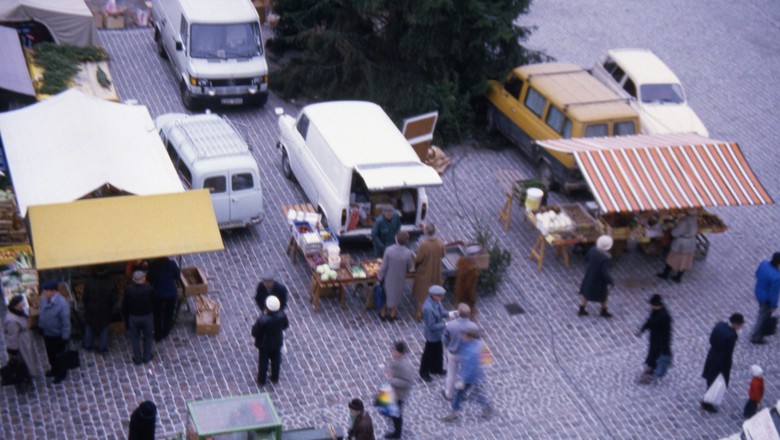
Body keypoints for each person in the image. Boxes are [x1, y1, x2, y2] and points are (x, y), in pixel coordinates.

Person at [442, 329, 493, 422]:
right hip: (475, 376)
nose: (462, 337)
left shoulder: (471, 350)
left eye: (464, 336)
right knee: (472, 394)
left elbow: (471, 367)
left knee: (465, 394)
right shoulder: (476, 345)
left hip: (470, 377)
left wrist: (463, 380)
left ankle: (454, 413)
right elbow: (487, 359)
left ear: (469, 337)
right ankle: (486, 408)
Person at [701, 313, 744, 413]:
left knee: (711, 377)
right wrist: (727, 366)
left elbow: (711, 339)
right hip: (721, 361)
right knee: (716, 381)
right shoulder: (731, 336)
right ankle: (707, 403)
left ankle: (708, 400)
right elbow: (728, 353)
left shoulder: (719, 325)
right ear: (736, 324)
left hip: (712, 355)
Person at [4, 295, 43, 387]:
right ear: (16, 305)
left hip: (25, 340)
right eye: (22, 303)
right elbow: (12, 336)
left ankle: (28, 375)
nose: (24, 304)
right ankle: (24, 377)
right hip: (21, 343)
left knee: (28, 358)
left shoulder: (18, 313)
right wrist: (13, 349)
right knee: (24, 360)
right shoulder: (12, 320)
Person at [442, 303, 478, 401]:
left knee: (451, 374)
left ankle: (449, 394)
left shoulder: (450, 325)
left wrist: (447, 348)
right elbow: (476, 340)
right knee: (466, 374)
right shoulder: (473, 326)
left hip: (453, 353)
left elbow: (445, 340)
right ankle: (464, 393)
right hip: (466, 354)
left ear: (458, 312)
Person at [251, 295, 289, 387]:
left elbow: (255, 331)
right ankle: (275, 377)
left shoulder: (263, 319)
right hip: (277, 341)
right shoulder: (282, 315)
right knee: (276, 359)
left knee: (263, 362)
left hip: (265, 344)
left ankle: (261, 380)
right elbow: (285, 325)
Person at [38, 280, 71, 384]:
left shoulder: (62, 304)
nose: (43, 293)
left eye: (45, 291)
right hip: (47, 334)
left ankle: (61, 373)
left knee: (59, 356)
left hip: (57, 335)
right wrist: (40, 326)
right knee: (50, 354)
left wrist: (65, 337)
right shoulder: (44, 299)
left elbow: (66, 323)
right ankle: (54, 369)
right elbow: (42, 313)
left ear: (53, 291)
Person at [411, 223, 445, 321]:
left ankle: (420, 313)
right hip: (436, 270)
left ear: (426, 232)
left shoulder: (424, 244)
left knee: (422, 293)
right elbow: (443, 254)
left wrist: (414, 260)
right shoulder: (440, 242)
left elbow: (418, 258)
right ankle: (433, 312)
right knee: (435, 292)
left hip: (425, 271)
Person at [378, 231, 414, 322]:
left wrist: (380, 277)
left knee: (384, 295)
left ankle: (382, 314)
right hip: (400, 277)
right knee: (395, 295)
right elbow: (410, 267)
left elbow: (383, 267)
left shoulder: (389, 250)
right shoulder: (408, 253)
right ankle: (392, 315)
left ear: (396, 239)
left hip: (388, 277)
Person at [637, 294, 673, 384]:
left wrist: (645, 328)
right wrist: (642, 329)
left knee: (658, 355)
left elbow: (653, 323)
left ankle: (655, 374)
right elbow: (649, 321)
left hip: (661, 339)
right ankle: (650, 369)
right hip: (654, 338)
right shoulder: (655, 311)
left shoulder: (664, 316)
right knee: (652, 354)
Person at [382, 341, 415, 439]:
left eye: (394, 350)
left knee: (397, 415)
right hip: (394, 392)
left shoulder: (404, 365)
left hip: (399, 395)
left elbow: (407, 383)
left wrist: (391, 379)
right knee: (392, 411)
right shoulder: (397, 360)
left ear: (399, 352)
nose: (392, 352)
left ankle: (397, 433)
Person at [81, 266, 117, 354]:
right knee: (104, 328)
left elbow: (85, 297)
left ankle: (87, 344)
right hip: (105, 310)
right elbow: (114, 299)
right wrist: (110, 308)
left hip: (91, 309)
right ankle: (102, 347)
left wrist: (87, 305)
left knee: (90, 326)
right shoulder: (110, 283)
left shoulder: (89, 282)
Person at [123, 271, 155, 365]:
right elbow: (154, 302)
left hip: (133, 317)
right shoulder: (149, 290)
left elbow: (125, 305)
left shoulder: (128, 290)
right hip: (147, 317)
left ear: (133, 279)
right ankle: (147, 356)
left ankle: (137, 358)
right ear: (144, 279)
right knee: (148, 337)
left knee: (135, 338)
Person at [578, 235, 615, 318]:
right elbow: (605, 273)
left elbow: (586, 258)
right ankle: (603, 310)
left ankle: (582, 308)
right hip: (599, 279)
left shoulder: (593, 249)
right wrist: (610, 281)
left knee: (587, 292)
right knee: (604, 295)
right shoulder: (606, 257)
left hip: (590, 274)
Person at [657, 210, 698, 283]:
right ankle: (679, 276)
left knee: (672, 258)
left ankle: (665, 274)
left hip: (681, 243)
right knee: (685, 260)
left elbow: (675, 233)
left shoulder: (684, 221)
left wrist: (673, 229)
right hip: (691, 241)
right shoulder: (694, 219)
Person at [146, 257, 181, 342]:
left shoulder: (153, 265)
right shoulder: (172, 264)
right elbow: (177, 275)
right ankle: (166, 332)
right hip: (171, 292)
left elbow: (149, 278)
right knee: (169, 313)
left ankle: (158, 334)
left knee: (157, 314)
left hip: (158, 293)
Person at [750, 252, 780, 344]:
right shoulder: (776, 277)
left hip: (759, 293)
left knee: (762, 313)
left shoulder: (763, 264)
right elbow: (774, 294)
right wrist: (773, 306)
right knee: (763, 317)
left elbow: (757, 274)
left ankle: (757, 333)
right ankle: (756, 337)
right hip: (766, 300)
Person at [419, 285, 447, 382]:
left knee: (438, 351)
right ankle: (424, 373)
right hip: (431, 335)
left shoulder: (437, 301)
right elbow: (432, 326)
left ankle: (437, 368)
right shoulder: (428, 309)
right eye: (440, 296)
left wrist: (452, 314)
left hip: (437, 334)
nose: (441, 298)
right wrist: (445, 325)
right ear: (434, 296)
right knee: (428, 354)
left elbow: (442, 312)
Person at [454, 251, 480, 320]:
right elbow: (470, 285)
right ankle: (469, 319)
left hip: (459, 289)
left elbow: (457, 265)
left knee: (458, 304)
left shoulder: (462, 261)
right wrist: (472, 297)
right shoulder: (472, 269)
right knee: (469, 308)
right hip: (467, 293)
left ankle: (456, 318)